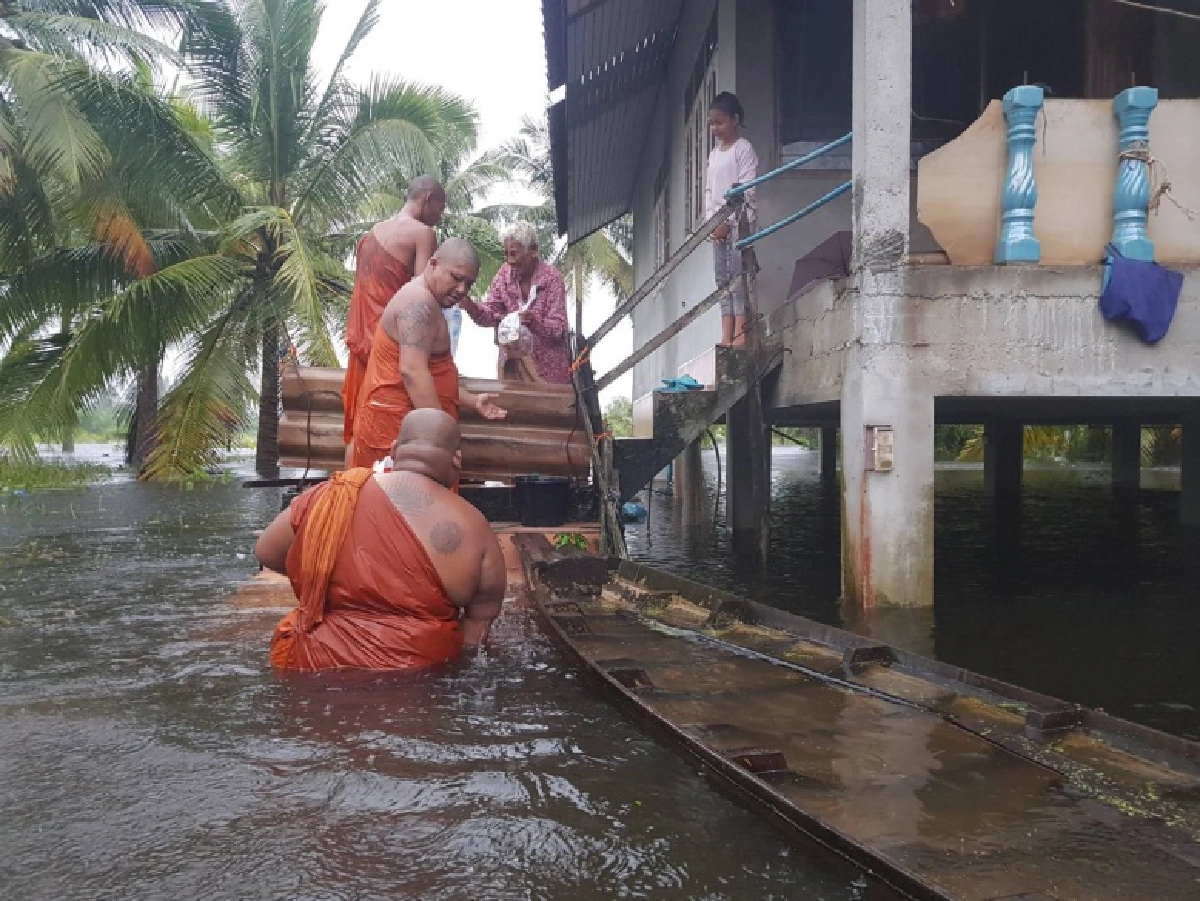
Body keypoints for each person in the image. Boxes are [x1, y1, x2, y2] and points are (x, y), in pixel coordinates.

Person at [257, 409, 507, 671]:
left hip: (313, 664)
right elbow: (478, 627)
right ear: (457, 459)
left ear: (395, 449)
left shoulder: (329, 496)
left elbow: (266, 552)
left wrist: (322, 574)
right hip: (419, 676)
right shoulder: (474, 525)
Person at [348, 238, 506, 473]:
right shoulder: (418, 304)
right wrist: (441, 441)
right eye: (456, 278)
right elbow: (412, 372)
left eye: (469, 284)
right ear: (432, 264)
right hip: (399, 431)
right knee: (400, 505)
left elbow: (428, 372)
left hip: (412, 429)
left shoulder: (426, 301)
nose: (462, 290)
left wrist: (471, 400)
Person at [343, 175, 447, 459]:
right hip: (390, 344)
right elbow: (425, 291)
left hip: (360, 341)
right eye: (440, 208)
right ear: (427, 199)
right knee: (394, 423)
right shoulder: (422, 234)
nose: (438, 217)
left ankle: (350, 491)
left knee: (357, 423)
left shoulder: (371, 233)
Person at [457, 221, 571, 383]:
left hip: (548, 374)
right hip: (512, 370)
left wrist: (533, 322)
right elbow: (489, 315)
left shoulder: (552, 279)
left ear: (533, 251)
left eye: (514, 254)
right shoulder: (504, 275)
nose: (509, 260)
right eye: (506, 254)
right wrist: (472, 307)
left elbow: (559, 330)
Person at [704, 91, 758, 347]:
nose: (715, 128)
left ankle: (740, 333)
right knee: (721, 279)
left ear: (734, 119)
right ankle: (725, 334)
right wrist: (712, 224)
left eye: (720, 122)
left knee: (737, 275)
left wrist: (729, 222)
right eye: (712, 123)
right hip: (717, 226)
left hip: (739, 221)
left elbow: (748, 188)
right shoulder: (714, 155)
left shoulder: (743, 149)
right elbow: (708, 192)